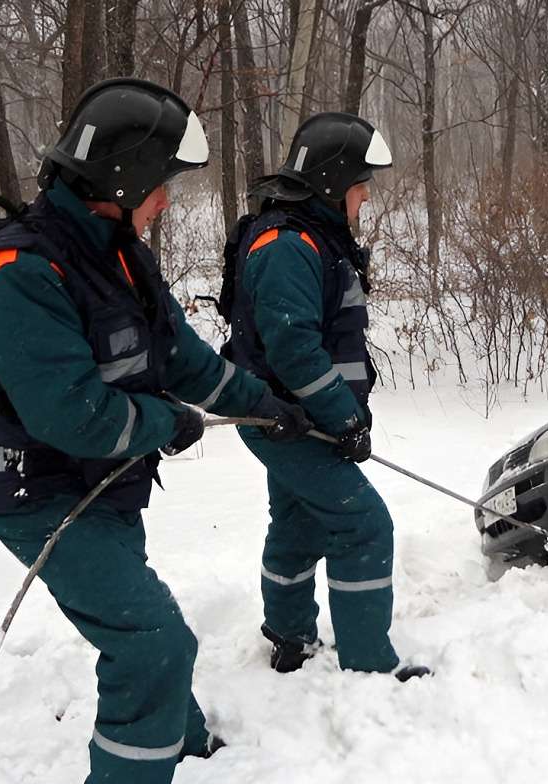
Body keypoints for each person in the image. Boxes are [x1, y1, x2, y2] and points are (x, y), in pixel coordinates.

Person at [0, 78, 310, 784]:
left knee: (145, 620)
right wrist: (162, 423)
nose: (166, 201)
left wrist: (266, 403)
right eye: (162, 186)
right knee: (150, 642)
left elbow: (182, 358)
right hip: (37, 492)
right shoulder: (22, 270)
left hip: (103, 481)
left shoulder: (118, 252)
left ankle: (183, 743)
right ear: (125, 179)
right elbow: (72, 414)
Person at [219, 112, 428, 681]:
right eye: (361, 186)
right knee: (363, 525)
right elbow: (293, 350)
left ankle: (290, 637)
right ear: (334, 184)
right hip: (289, 417)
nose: (365, 198)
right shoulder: (289, 245)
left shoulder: (311, 236)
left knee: (298, 523)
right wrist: (343, 418)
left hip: (293, 414)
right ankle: (368, 663)